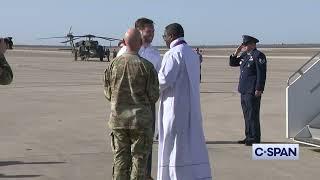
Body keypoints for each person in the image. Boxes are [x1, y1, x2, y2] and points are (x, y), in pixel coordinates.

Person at [157, 23, 212, 180]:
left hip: (174, 109)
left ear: (171, 36)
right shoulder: (192, 54)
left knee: (174, 146)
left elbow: (163, 80)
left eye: (164, 36)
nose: (164, 40)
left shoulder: (173, 54)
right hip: (191, 107)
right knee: (190, 145)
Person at [104, 28, 159, 180]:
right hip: (140, 122)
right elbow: (154, 95)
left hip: (118, 121)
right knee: (139, 162)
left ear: (125, 42)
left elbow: (107, 93)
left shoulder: (113, 65)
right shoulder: (147, 67)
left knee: (120, 160)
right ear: (140, 43)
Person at [229, 35, 267, 146]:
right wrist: (236, 52)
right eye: (243, 45)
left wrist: (259, 88)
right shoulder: (245, 55)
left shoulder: (258, 55)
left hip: (252, 90)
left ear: (252, 44)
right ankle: (248, 136)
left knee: (253, 114)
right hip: (244, 90)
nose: (243, 46)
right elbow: (232, 63)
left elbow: (261, 73)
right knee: (246, 114)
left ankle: (255, 138)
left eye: (245, 45)